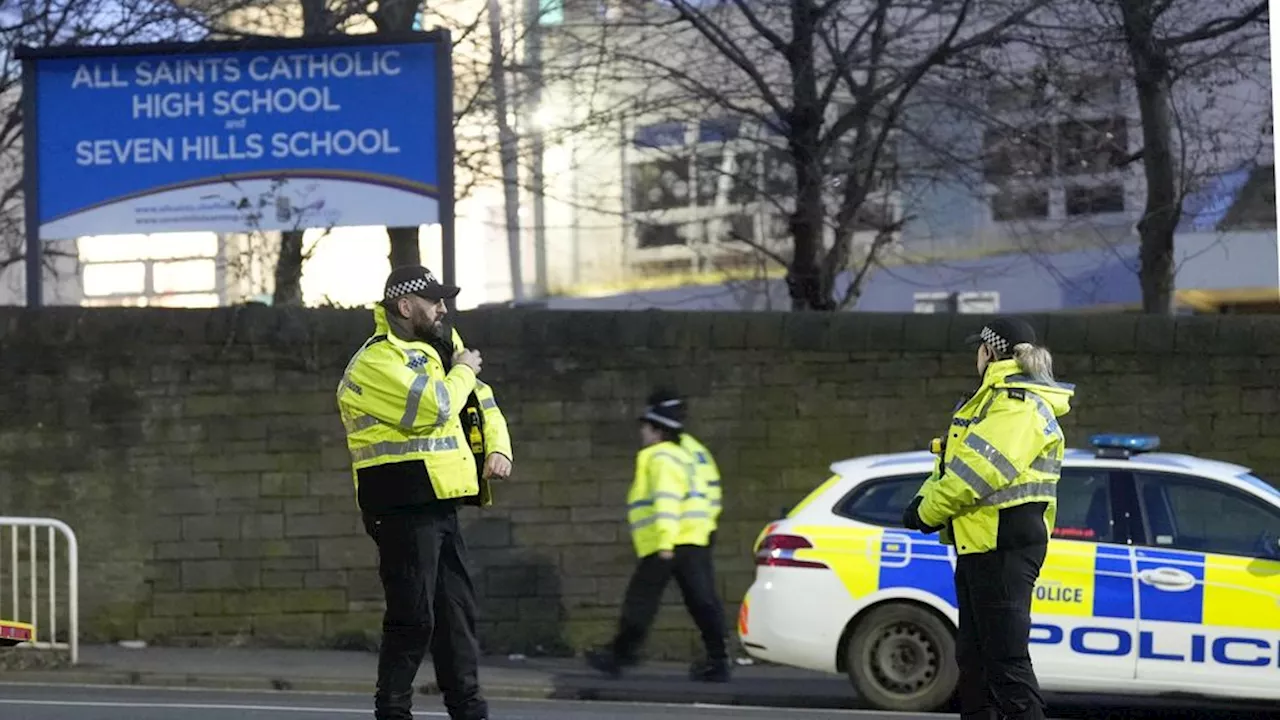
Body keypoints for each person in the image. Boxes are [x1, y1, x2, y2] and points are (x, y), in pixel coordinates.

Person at [336, 265, 514, 720]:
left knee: (456, 617)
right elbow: (433, 409)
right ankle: (393, 710)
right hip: (399, 503)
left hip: (441, 501)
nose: (443, 308)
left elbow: (482, 401)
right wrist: (462, 372)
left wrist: (499, 448)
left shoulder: (441, 351)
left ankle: (469, 710)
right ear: (404, 306)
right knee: (414, 619)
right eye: (434, 301)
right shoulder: (377, 361)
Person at [902, 316, 1074, 720]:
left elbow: (977, 475)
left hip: (1004, 544)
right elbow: (951, 464)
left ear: (990, 351)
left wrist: (927, 511)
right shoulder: (990, 400)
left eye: (977, 349)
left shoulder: (1016, 405)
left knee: (1006, 662)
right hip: (981, 543)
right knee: (976, 662)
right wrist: (923, 501)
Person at [585, 391, 731, 682]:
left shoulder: (659, 457)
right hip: (695, 537)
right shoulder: (694, 451)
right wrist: (707, 527)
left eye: (646, 426)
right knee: (702, 601)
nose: (641, 432)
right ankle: (719, 659)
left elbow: (666, 500)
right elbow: (712, 491)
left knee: (641, 600)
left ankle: (620, 655)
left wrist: (665, 542)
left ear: (657, 428)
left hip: (666, 541)